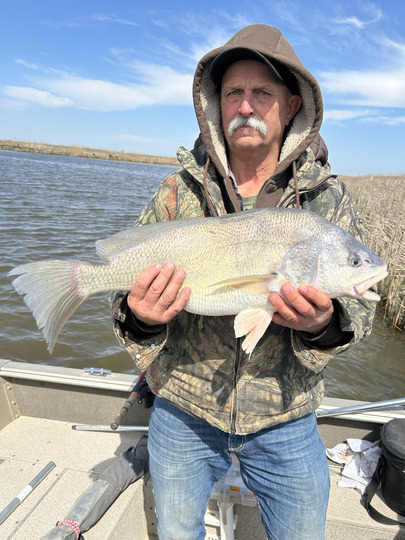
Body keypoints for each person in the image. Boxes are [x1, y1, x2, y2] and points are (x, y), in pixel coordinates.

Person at [111, 24, 376, 540]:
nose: (246, 106)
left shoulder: (329, 201)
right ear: (216, 105)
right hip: (182, 410)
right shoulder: (178, 190)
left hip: (287, 415)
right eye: (233, 92)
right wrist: (140, 318)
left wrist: (324, 324)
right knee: (174, 532)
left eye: (263, 93)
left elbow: (360, 314)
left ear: (292, 105)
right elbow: (125, 298)